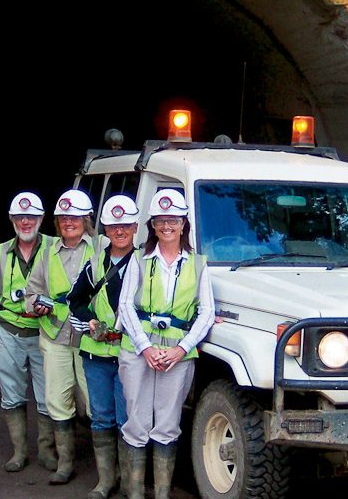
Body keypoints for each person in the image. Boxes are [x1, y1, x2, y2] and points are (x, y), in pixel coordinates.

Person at [117, 189, 215, 499]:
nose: (167, 226)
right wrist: (145, 347)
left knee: (169, 423)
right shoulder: (138, 259)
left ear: (183, 224)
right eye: (160, 221)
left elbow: (207, 312)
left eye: (173, 220)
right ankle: (134, 493)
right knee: (137, 421)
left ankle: (161, 493)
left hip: (178, 354)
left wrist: (181, 348)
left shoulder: (198, 264)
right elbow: (125, 306)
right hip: (138, 352)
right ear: (153, 225)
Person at [66, 195, 139, 499]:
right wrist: (90, 322)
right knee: (101, 417)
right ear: (104, 229)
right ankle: (106, 480)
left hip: (129, 356)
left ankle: (129, 483)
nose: (119, 230)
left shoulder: (146, 263)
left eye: (125, 225)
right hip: (96, 354)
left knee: (127, 419)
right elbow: (75, 301)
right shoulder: (95, 263)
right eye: (113, 225)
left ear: (135, 226)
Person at [0, 192, 57, 473]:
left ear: (41, 219)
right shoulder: (1, 251)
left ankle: (47, 452)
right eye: (19, 217)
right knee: (11, 395)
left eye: (31, 217)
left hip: (44, 332)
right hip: (8, 331)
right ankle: (19, 452)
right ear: (11, 220)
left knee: (48, 395)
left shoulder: (55, 247)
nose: (25, 222)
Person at [25, 189, 94, 484]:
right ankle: (66, 463)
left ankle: (108, 467)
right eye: (64, 217)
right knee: (56, 398)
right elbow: (30, 293)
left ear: (86, 219)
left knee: (95, 402)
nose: (69, 222)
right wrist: (35, 305)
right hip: (55, 337)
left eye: (75, 217)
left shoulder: (100, 248)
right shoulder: (46, 253)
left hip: (91, 339)